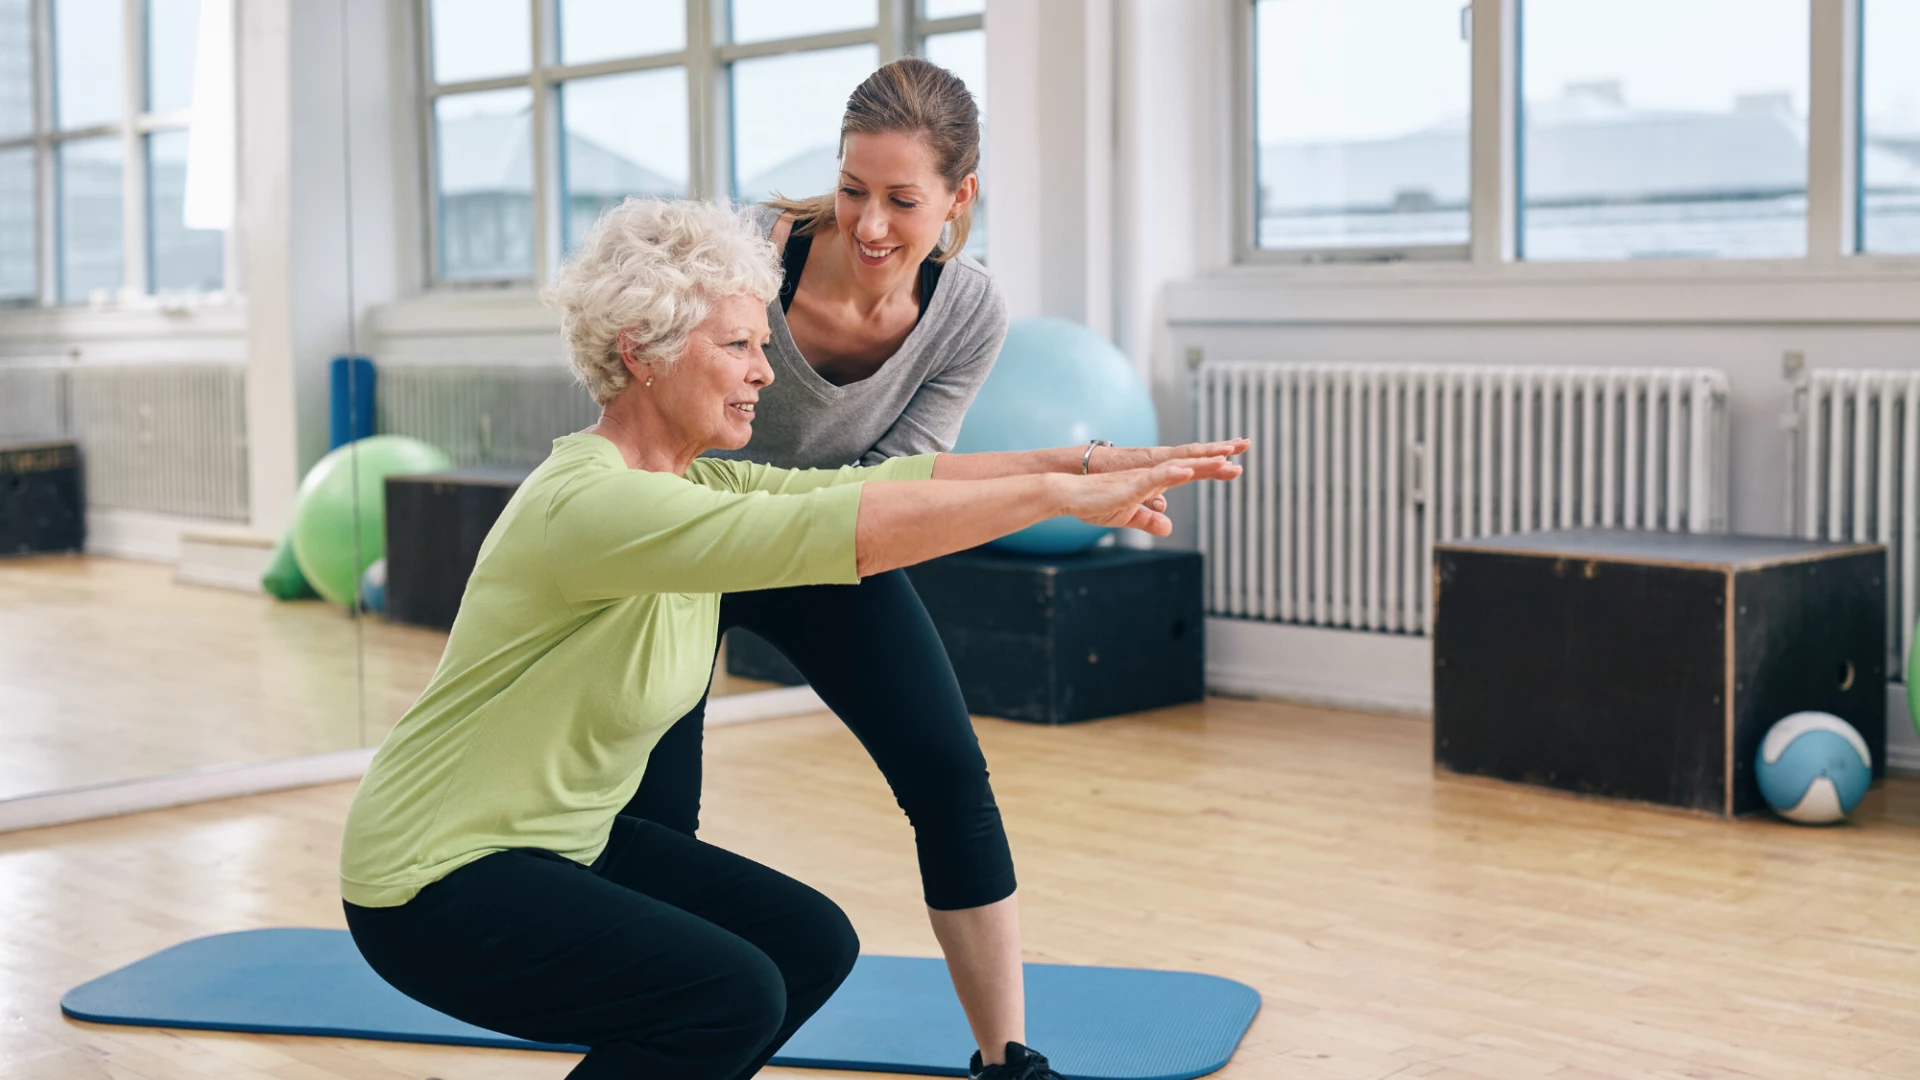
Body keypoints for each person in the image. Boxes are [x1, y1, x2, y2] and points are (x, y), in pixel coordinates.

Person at [338, 197, 1245, 1080]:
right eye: (737, 345)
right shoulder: (594, 504)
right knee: (726, 992)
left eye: (761, 344)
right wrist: (1055, 499)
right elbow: (842, 539)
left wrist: (1081, 462)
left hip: (562, 843)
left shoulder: (704, 487)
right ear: (641, 353)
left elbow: (889, 489)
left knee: (806, 945)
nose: (765, 373)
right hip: (433, 878)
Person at [622, 57, 1246, 1080]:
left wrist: (1065, 476)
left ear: (959, 199)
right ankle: (659, 1029)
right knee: (658, 815)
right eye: (852, 189)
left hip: (828, 535)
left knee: (950, 775)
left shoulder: (966, 315)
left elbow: (897, 486)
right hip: (688, 539)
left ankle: (1008, 1061)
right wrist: (1058, 478)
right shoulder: (741, 261)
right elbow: (637, 394)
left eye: (903, 201)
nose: (870, 225)